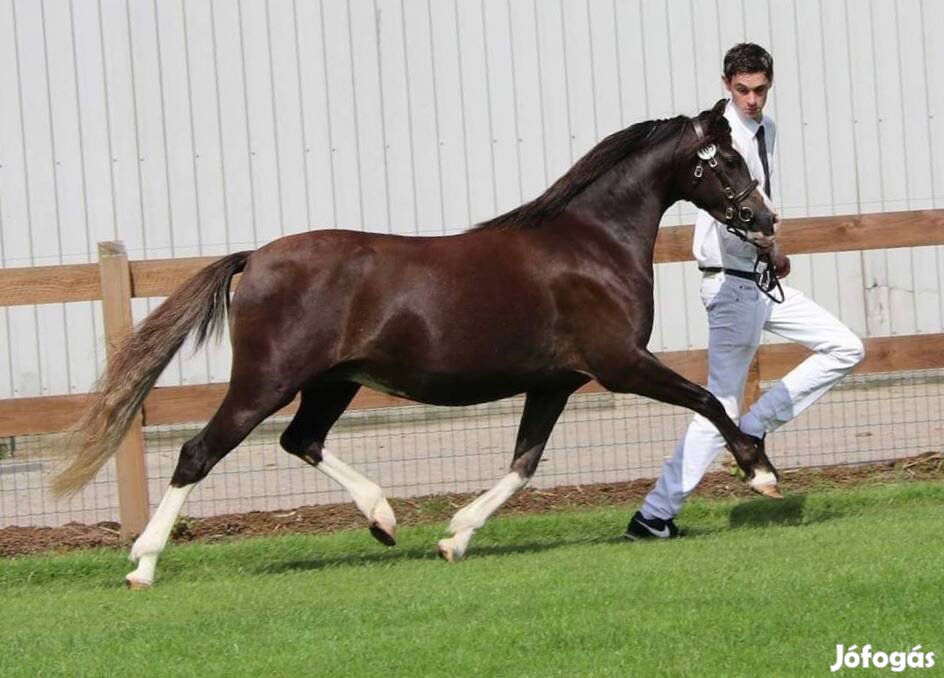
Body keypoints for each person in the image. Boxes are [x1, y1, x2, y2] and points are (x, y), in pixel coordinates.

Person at [625, 43, 865, 540]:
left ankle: (753, 430)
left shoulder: (766, 130)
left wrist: (769, 252)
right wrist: (769, 247)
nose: (752, 99)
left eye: (759, 90)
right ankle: (655, 515)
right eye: (742, 90)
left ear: (769, 84)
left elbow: (755, 200)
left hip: (758, 283)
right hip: (731, 286)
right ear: (726, 85)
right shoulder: (718, 138)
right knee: (720, 405)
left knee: (845, 346)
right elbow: (726, 208)